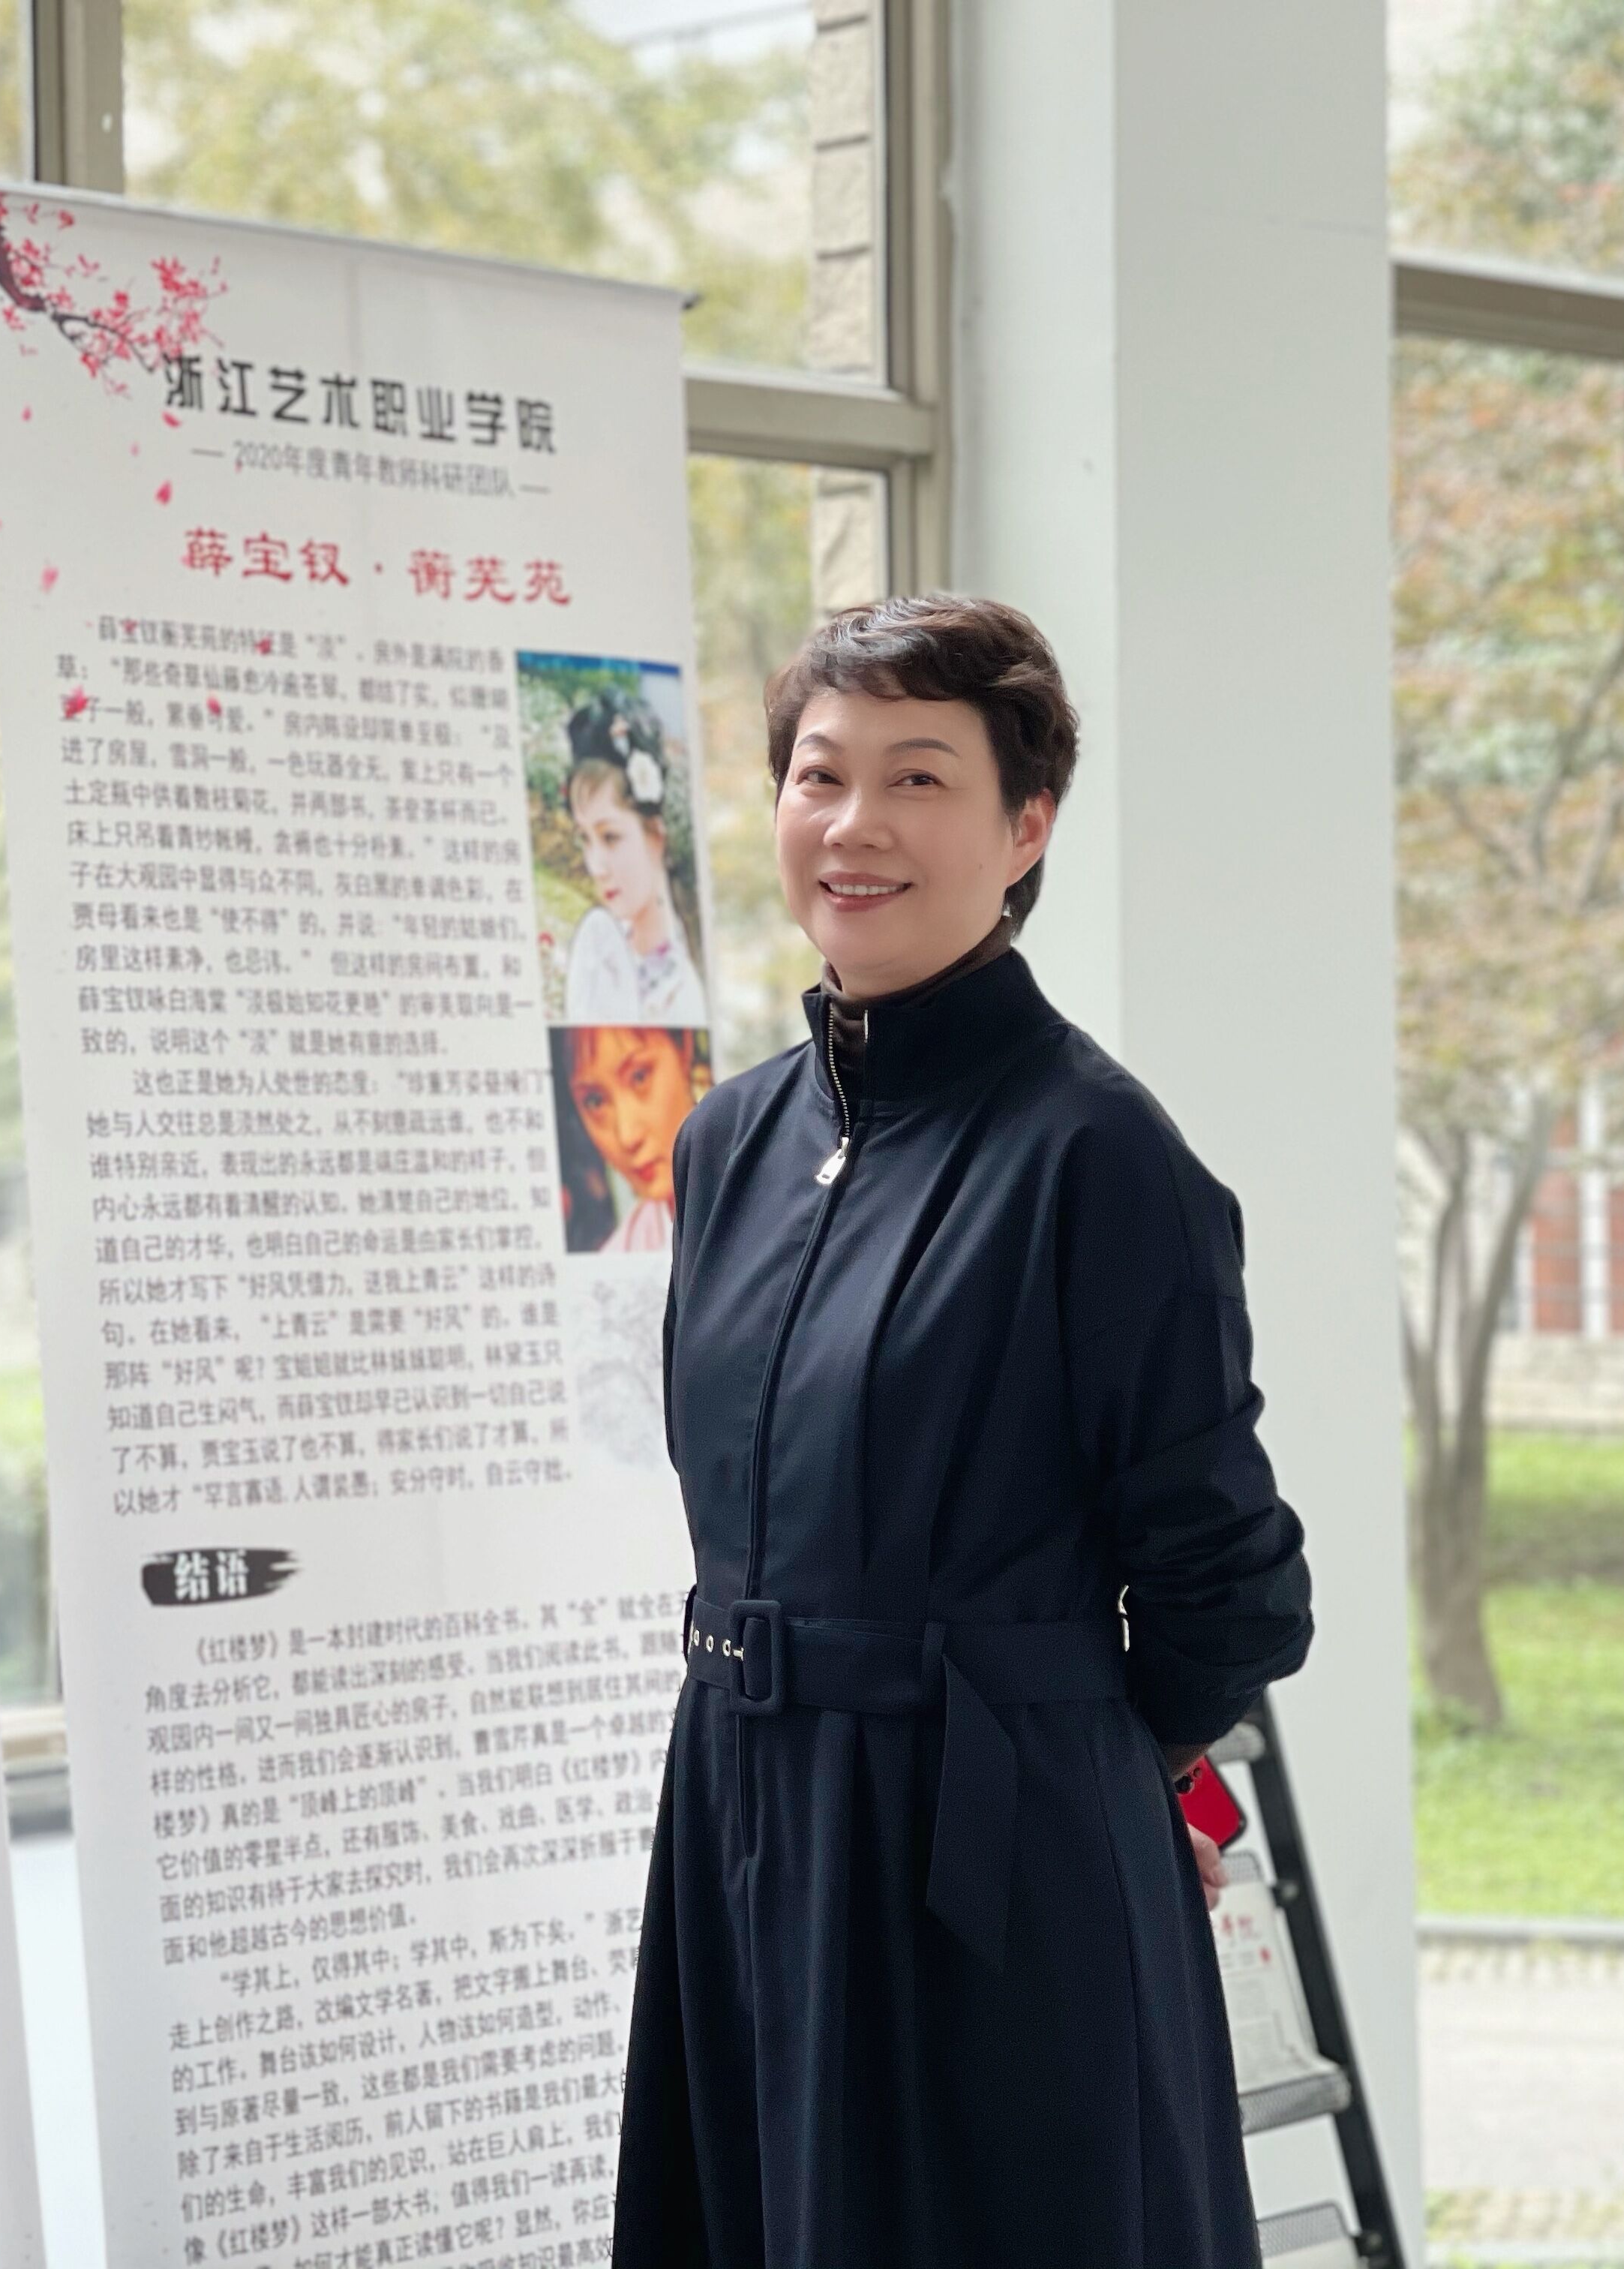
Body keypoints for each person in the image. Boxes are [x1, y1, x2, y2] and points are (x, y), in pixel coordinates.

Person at [615, 594, 1313, 2268]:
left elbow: (1232, 1588)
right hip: (743, 1815)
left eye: (918, 778)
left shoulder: (1098, 1155)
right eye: (819, 774)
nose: (853, 825)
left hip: (988, 1863)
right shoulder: (728, 1142)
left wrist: (1093, 1769)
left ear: (1026, 827)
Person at [556, 689, 704, 1025]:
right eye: (585, 839)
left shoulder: (684, 990)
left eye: (610, 837)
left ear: (656, 836)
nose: (596, 867)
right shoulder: (596, 950)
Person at [560, 1024, 704, 1253]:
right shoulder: (617, 1257)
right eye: (595, 1101)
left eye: (639, 1077)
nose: (627, 1136)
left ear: (684, 1049)